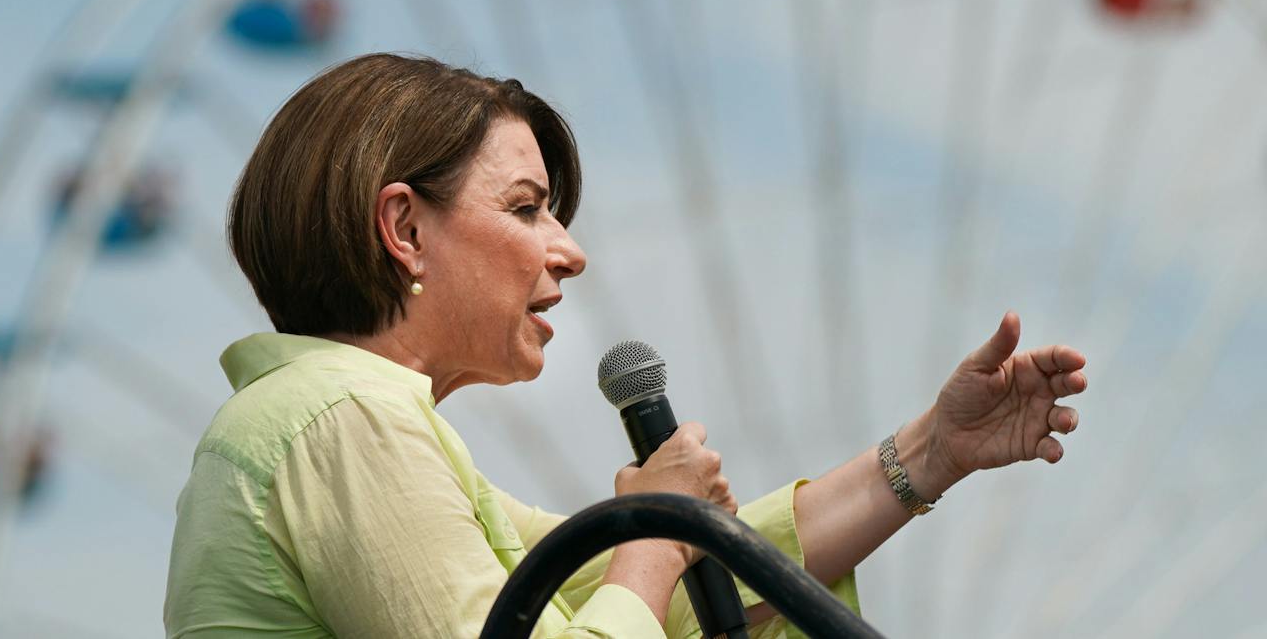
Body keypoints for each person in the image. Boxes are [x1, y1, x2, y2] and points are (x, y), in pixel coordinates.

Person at [163, 53, 1088, 638]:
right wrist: (654, 543)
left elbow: (697, 586)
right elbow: (646, 580)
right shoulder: (344, 422)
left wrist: (933, 451)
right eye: (526, 210)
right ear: (404, 228)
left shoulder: (343, 427)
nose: (570, 250)